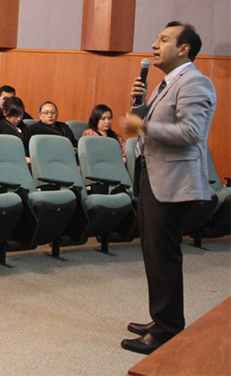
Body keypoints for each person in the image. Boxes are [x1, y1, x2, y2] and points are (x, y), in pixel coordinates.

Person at [119, 22, 216, 355]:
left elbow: (191, 132)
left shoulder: (195, 83)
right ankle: (162, 319)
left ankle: (167, 330)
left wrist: (142, 124)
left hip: (173, 181)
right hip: (154, 176)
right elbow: (155, 124)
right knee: (154, 253)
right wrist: (140, 106)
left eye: (163, 39)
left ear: (184, 48)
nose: (154, 44)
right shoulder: (167, 82)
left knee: (164, 256)